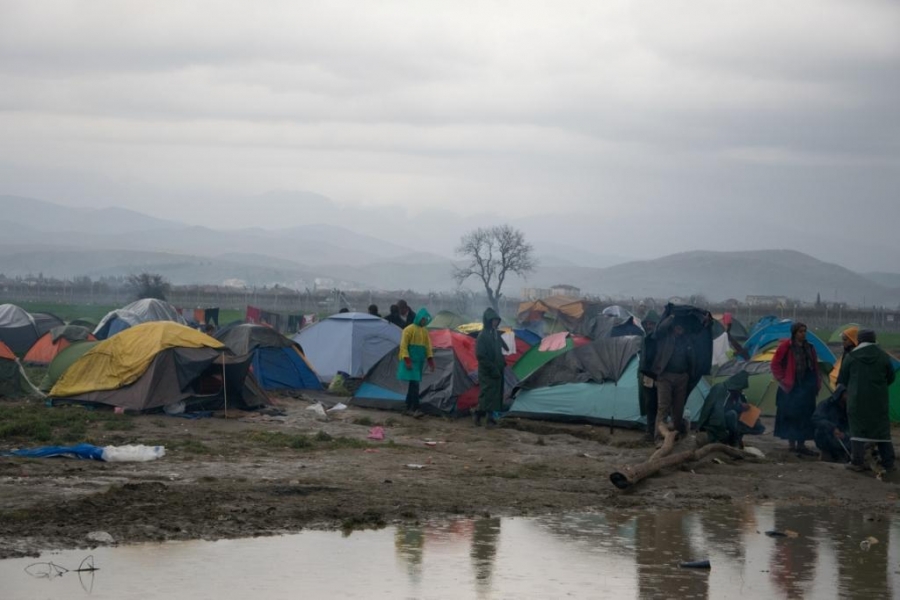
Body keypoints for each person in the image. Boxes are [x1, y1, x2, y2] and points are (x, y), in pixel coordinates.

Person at [837, 329, 896, 472]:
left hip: (857, 400)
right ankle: (888, 463)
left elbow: (843, 378)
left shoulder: (851, 357)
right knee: (882, 430)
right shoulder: (883, 356)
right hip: (879, 400)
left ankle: (857, 461)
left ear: (860, 340)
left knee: (857, 430)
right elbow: (891, 377)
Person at [771, 322, 820, 456]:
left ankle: (801, 444)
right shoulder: (786, 347)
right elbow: (775, 364)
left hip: (806, 386)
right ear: (794, 333)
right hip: (790, 387)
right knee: (791, 415)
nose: (803, 334)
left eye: (804, 331)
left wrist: (816, 384)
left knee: (805, 416)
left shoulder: (810, 348)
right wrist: (782, 379)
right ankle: (792, 444)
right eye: (800, 331)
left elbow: (815, 367)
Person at [649, 315, 693, 436]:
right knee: (663, 407)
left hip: (682, 377)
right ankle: (658, 438)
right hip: (665, 376)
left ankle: (674, 435)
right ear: (674, 327)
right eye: (678, 327)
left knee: (678, 410)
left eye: (682, 328)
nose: (680, 330)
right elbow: (658, 330)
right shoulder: (664, 336)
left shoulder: (686, 339)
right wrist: (671, 316)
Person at [697, 371, 765, 448]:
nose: (741, 390)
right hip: (716, 421)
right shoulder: (720, 388)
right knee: (732, 414)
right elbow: (711, 408)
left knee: (740, 416)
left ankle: (736, 438)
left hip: (728, 418)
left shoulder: (736, 393)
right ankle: (733, 439)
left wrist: (742, 406)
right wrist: (700, 425)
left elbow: (733, 406)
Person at [397, 307, 435, 417]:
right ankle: (416, 408)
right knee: (415, 384)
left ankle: (408, 407)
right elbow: (403, 346)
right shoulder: (408, 330)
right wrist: (407, 360)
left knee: (413, 384)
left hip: (419, 362)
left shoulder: (424, 332)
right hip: (410, 361)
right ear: (419, 318)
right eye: (423, 319)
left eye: (425, 320)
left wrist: (430, 360)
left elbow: (428, 347)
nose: (424, 321)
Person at [474, 307, 506, 427]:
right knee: (487, 395)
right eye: (493, 320)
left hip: (497, 369)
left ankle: (486, 417)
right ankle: (482, 416)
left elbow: (498, 351)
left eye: (497, 320)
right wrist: (492, 368)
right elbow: (480, 355)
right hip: (487, 371)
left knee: (494, 395)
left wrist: (502, 362)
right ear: (488, 321)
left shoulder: (495, 334)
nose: (495, 322)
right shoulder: (483, 336)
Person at [812, 384, 850, 463]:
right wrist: (832, 428)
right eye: (846, 393)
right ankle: (827, 453)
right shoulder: (826, 404)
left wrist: (845, 434)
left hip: (843, 437)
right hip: (828, 434)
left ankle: (842, 455)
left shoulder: (850, 407)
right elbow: (816, 419)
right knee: (820, 432)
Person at [638, 310, 660, 442]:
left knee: (661, 406)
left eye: (651, 324)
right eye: (646, 324)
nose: (648, 326)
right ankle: (650, 432)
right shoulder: (644, 339)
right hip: (647, 378)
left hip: (659, 378)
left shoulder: (661, 339)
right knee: (649, 405)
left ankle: (658, 432)